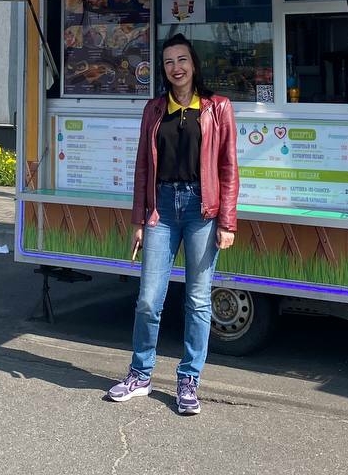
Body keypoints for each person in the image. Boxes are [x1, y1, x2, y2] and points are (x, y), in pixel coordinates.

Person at [105, 32, 238, 415]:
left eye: (182, 60)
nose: (176, 68)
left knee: (197, 300)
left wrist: (227, 221)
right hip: (161, 208)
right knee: (148, 299)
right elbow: (142, 167)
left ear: (194, 64)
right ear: (163, 70)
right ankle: (140, 373)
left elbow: (228, 168)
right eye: (168, 62)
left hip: (202, 210)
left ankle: (188, 379)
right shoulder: (154, 109)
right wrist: (139, 220)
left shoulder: (218, 107)